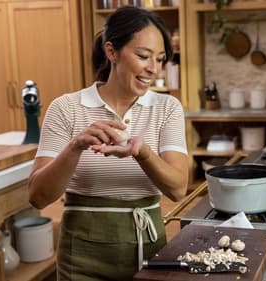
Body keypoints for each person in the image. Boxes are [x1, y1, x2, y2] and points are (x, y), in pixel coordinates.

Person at [28, 6, 189, 281]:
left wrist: (143, 152)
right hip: (79, 257)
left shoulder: (167, 108)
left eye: (160, 59)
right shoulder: (66, 108)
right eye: (143, 56)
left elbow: (178, 189)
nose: (154, 69)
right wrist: (75, 146)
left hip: (147, 249)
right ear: (112, 51)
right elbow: (38, 196)